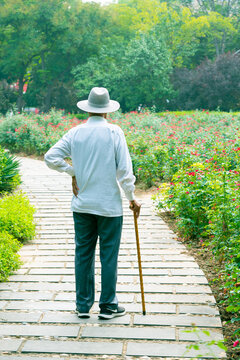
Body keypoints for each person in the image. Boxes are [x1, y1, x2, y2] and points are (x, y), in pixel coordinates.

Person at [44, 87, 141, 320]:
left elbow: (50, 157)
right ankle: (108, 306)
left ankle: (83, 305)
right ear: (107, 111)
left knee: (83, 254)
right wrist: (132, 198)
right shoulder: (114, 132)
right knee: (109, 255)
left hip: (82, 205)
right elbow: (124, 171)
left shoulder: (75, 133)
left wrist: (72, 172)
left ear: (88, 109)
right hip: (109, 206)